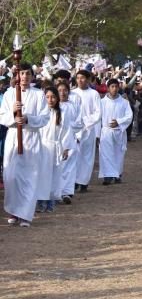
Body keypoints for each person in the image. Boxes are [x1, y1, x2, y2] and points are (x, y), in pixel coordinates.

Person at [2, 63, 49, 227]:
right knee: (11, 176)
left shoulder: (39, 94)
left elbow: (44, 117)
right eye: (22, 73)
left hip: (31, 137)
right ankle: (14, 212)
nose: (25, 77)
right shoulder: (9, 94)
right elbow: (2, 117)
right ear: (17, 75)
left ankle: (25, 214)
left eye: (28, 74)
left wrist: (28, 119)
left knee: (29, 177)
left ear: (32, 76)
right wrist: (13, 112)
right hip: (14, 137)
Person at [39, 86, 75, 213]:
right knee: (42, 176)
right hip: (42, 147)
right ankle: (41, 202)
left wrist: (66, 148)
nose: (50, 100)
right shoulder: (41, 113)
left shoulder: (62, 113)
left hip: (55, 147)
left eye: (53, 97)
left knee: (54, 176)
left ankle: (51, 202)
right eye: (47, 97)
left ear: (57, 98)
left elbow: (67, 131)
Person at [71, 69, 102, 193]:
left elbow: (98, 112)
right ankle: (73, 182)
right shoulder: (72, 94)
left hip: (88, 129)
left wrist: (86, 122)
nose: (80, 80)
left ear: (88, 79)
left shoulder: (94, 94)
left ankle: (83, 182)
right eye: (78, 78)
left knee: (87, 156)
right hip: (74, 130)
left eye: (82, 78)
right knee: (75, 155)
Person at [98, 79, 133, 185]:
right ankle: (107, 176)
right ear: (108, 88)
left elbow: (129, 116)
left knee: (118, 154)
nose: (114, 89)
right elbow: (98, 117)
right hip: (106, 132)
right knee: (106, 154)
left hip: (119, 132)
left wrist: (119, 122)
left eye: (116, 86)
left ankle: (117, 174)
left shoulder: (124, 102)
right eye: (112, 86)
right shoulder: (102, 102)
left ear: (119, 87)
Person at [56, 80, 83, 204]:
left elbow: (79, 121)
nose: (62, 93)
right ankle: (56, 193)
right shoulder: (54, 106)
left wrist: (70, 128)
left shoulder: (73, 105)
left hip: (71, 139)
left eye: (65, 90)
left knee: (69, 167)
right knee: (58, 167)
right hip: (56, 140)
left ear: (68, 92)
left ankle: (67, 192)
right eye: (60, 90)